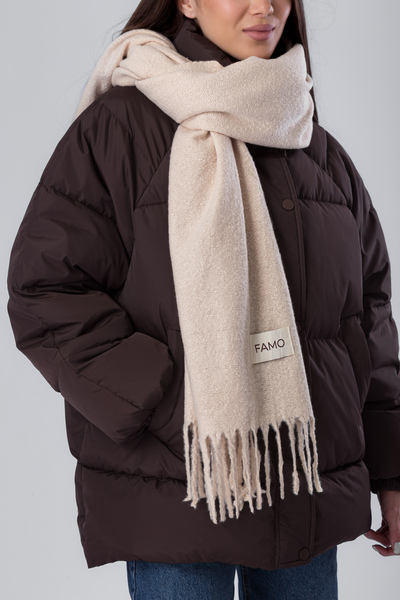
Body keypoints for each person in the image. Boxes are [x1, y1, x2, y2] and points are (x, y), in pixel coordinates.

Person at [6, 0, 400, 598]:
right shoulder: (123, 128)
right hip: (179, 487)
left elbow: (368, 317)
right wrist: (165, 396)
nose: (265, 7)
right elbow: (45, 288)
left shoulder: (312, 144)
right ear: (186, 2)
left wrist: (392, 469)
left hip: (304, 486)